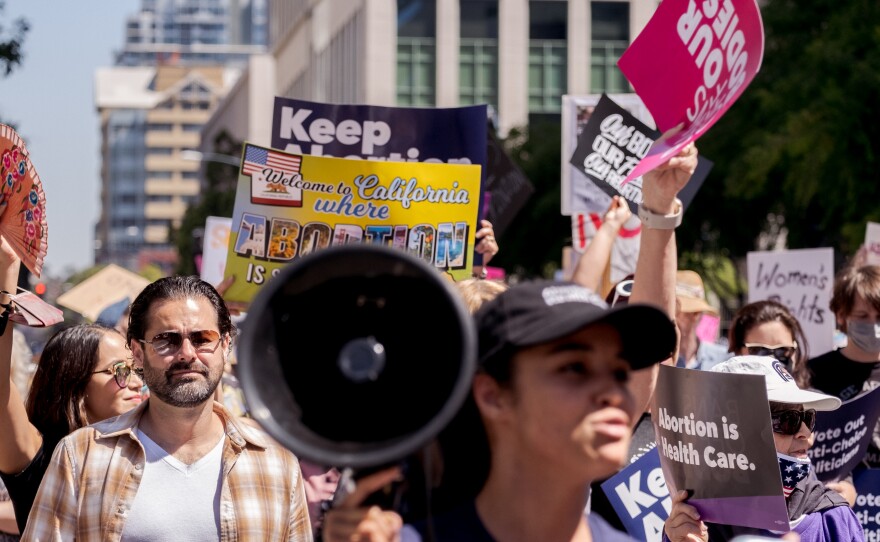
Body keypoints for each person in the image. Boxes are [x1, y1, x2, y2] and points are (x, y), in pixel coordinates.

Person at [23, 276, 312, 540]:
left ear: (225, 345)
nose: (186, 354)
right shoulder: (81, 456)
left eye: (202, 339)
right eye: (167, 340)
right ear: (137, 352)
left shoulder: (275, 463)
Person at [0, 240, 143, 535]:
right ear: (75, 382)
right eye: (120, 370)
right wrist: (7, 275)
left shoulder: (149, 451)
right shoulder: (39, 458)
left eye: (136, 370)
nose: (137, 382)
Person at [664, 355, 862, 542]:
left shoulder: (834, 519)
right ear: (734, 432)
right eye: (788, 420)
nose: (806, 435)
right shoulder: (694, 523)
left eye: (807, 418)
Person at [728, 300, 811, 386]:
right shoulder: (720, 397)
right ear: (738, 351)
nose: (772, 360)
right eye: (758, 350)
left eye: (783, 350)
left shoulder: (816, 399)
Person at [675, 270, 728, 370]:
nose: (671, 317)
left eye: (677, 311)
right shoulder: (656, 360)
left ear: (696, 314)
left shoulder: (724, 359)